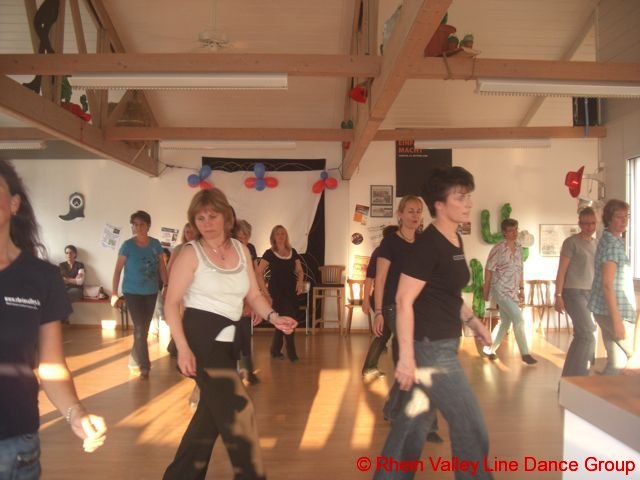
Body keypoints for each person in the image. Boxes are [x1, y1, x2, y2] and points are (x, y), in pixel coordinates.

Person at [162, 188, 297, 480]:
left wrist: (274, 317)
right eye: (200, 218)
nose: (207, 223)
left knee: (208, 419)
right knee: (239, 409)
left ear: (226, 217)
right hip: (200, 338)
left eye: (213, 216)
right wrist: (183, 348)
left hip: (229, 339)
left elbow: (254, 294)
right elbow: (171, 303)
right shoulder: (190, 253)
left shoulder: (240, 249)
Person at [374, 166, 493, 480]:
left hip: (443, 344)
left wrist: (474, 322)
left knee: (410, 427)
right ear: (440, 204)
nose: (468, 203)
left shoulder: (454, 239)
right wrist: (406, 358)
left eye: (468, 196)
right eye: (460, 197)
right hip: (431, 350)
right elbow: (403, 300)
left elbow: (448, 294)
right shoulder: (427, 245)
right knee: (470, 426)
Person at [0, 160, 106, 478]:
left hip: (14, 443)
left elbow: (51, 365)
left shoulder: (41, 277)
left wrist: (76, 413)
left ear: (14, 203)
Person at [363, 197, 423, 378]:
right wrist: (378, 312)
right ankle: (409, 380)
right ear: (400, 214)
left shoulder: (422, 241)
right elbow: (379, 279)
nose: (415, 215)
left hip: (412, 303)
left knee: (383, 336)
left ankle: (369, 368)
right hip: (392, 303)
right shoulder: (389, 243)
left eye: (418, 211)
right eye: (410, 211)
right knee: (408, 341)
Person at [111, 210, 168, 379]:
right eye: (134, 224)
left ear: (148, 226)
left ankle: (133, 360)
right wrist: (114, 293)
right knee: (140, 328)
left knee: (143, 329)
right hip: (132, 292)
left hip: (151, 291)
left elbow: (162, 267)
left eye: (141, 224)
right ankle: (145, 365)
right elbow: (117, 270)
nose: (137, 227)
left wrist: (167, 285)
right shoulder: (127, 246)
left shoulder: (155, 244)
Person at [588, 199, 637, 375]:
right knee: (633, 357)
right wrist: (617, 321)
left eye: (626, 216)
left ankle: (601, 393)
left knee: (617, 362)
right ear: (609, 219)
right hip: (615, 312)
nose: (624, 221)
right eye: (618, 217)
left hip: (605, 310)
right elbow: (607, 284)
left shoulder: (609, 240)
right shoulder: (612, 245)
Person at [481, 218, 538, 365]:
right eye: (511, 230)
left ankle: (489, 349)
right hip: (500, 290)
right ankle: (525, 353)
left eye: (516, 229)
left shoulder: (519, 249)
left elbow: (520, 270)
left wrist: (521, 289)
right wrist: (486, 290)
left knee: (505, 323)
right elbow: (488, 269)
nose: (514, 233)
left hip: (513, 292)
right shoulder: (498, 248)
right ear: (504, 232)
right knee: (519, 319)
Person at [554, 207, 597, 376]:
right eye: (586, 223)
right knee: (588, 334)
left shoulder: (596, 243)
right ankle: (579, 376)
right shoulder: (571, 243)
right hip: (573, 293)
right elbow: (561, 271)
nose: (589, 227)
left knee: (581, 335)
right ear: (580, 223)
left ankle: (568, 379)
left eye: (592, 223)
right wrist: (558, 295)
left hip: (590, 293)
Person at [256, 225, 305, 362]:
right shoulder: (269, 253)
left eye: (283, 233)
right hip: (276, 293)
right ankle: (291, 352)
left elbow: (299, 270)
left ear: (286, 236)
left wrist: (300, 282)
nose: (280, 236)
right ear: (273, 237)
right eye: (278, 233)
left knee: (283, 320)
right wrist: (265, 293)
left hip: (291, 291)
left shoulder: (292, 252)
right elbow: (258, 272)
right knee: (287, 319)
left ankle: (275, 350)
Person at [166, 222, 197, 358]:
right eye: (187, 231)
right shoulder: (179, 248)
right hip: (181, 288)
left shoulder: (200, 247)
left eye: (192, 231)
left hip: (195, 288)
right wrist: (167, 286)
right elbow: (169, 269)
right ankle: (176, 346)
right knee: (182, 317)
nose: (189, 234)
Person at [235, 219, 260, 384]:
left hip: (247, 295)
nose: (243, 239)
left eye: (246, 236)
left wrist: (253, 300)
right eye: (240, 235)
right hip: (233, 297)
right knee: (233, 337)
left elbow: (255, 273)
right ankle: (235, 372)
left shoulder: (250, 249)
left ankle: (249, 371)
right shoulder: (231, 249)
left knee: (244, 335)